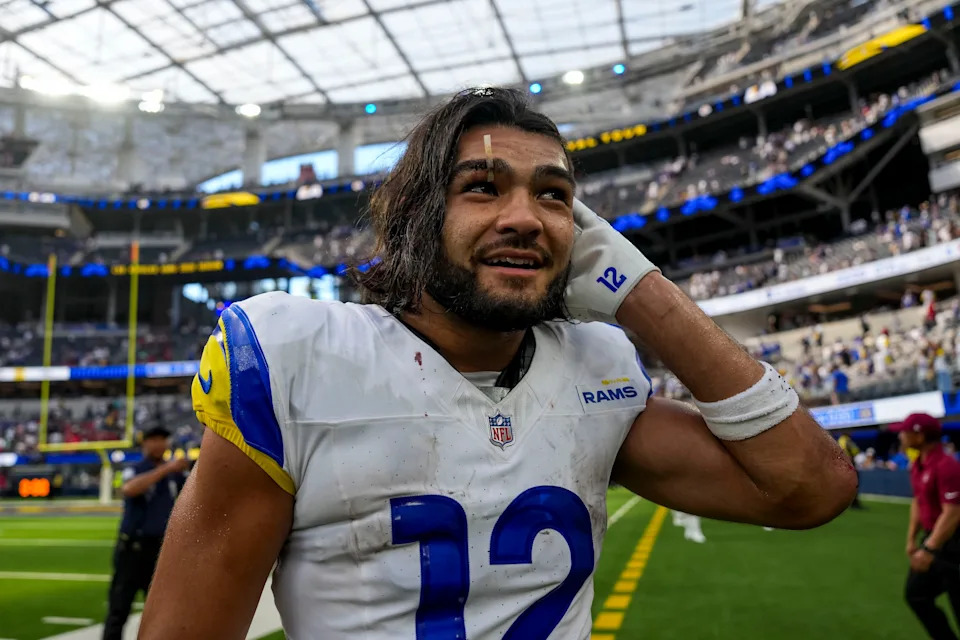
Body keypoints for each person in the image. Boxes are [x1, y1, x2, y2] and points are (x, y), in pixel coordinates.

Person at [139, 87, 857, 640]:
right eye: (482, 186)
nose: (526, 216)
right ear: (418, 217)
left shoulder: (593, 369)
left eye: (554, 195)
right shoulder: (301, 356)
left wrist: (642, 292)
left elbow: (809, 489)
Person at [103, 427, 189, 640]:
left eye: (162, 439)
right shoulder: (137, 468)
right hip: (132, 549)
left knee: (162, 611)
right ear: (144, 444)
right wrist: (166, 469)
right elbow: (130, 489)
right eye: (154, 440)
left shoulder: (174, 475)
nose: (159, 444)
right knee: (119, 608)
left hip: (159, 550)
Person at [896, 413, 960, 640]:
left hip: (953, 545)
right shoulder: (918, 465)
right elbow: (918, 501)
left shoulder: (946, 466)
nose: (900, 436)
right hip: (933, 539)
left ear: (919, 436)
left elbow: (953, 513)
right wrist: (912, 539)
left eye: (905, 432)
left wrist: (930, 548)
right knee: (916, 595)